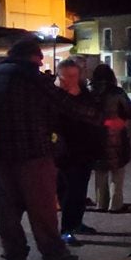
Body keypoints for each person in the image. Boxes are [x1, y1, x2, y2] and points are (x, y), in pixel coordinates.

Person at [0, 39, 120, 260]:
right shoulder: (34, 79)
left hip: (0, 156)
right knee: (42, 208)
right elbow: (68, 105)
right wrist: (103, 119)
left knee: (7, 208)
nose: (40, 65)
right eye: (39, 61)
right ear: (33, 58)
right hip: (34, 153)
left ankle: (14, 254)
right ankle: (53, 253)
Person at [51, 59, 103, 246]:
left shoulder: (83, 93)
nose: (73, 79)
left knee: (80, 191)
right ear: (60, 75)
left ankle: (77, 223)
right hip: (65, 153)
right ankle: (67, 229)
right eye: (69, 76)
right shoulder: (55, 96)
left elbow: (97, 113)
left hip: (85, 149)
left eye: (76, 75)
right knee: (69, 192)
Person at [91, 64, 131, 213]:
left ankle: (101, 202)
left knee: (100, 170)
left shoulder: (90, 92)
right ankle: (115, 204)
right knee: (117, 170)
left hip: (96, 134)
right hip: (116, 133)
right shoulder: (117, 92)